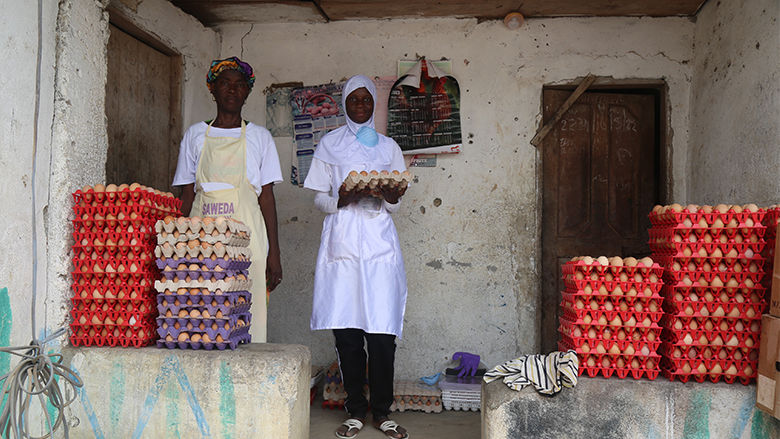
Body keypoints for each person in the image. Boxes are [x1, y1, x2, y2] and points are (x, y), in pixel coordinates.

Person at [304, 75, 409, 439]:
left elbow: (396, 204)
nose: (361, 105)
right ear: (345, 103)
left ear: (373, 104)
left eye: (366, 100)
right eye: (354, 99)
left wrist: (390, 196)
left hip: (379, 247)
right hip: (344, 244)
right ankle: (355, 411)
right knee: (347, 333)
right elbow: (319, 198)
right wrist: (341, 199)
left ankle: (382, 411)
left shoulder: (389, 147)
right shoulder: (329, 144)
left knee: (382, 334)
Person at [173, 56, 283, 343]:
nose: (232, 90)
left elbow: (267, 197)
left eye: (239, 84)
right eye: (225, 83)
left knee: (249, 314)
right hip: (201, 242)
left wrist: (274, 253)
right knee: (201, 316)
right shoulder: (195, 135)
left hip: (249, 241)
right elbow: (186, 194)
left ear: (247, 91)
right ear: (213, 89)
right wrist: (174, 245)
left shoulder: (260, 137)